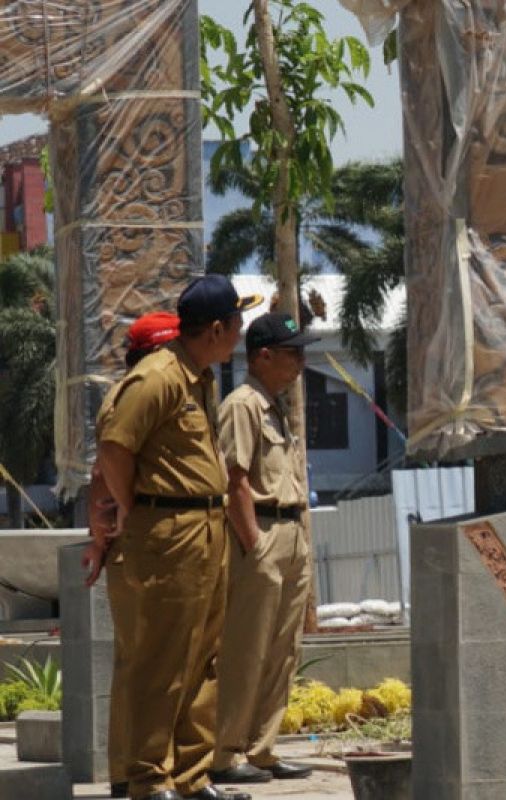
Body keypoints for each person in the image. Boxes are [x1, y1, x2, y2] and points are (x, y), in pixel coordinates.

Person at [97, 275, 261, 800]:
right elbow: (115, 448)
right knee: (162, 659)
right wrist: (130, 506)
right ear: (215, 329)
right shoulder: (157, 377)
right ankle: (149, 779)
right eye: (237, 324)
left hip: (204, 529)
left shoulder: (198, 377)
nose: (240, 334)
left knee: (202, 658)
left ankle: (191, 776)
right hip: (168, 531)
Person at [209, 313, 317, 784]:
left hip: (292, 532)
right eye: (292, 352)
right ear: (262, 356)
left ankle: (262, 748)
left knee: (282, 651)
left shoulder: (274, 407)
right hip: (263, 534)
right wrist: (254, 545)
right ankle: (224, 752)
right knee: (245, 650)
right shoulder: (243, 405)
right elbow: (234, 482)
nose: (301, 361)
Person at [83, 311, 182, 800]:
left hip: (133, 542)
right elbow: (104, 474)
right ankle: (129, 771)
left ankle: (132, 770)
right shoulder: (138, 395)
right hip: (135, 544)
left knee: (140, 661)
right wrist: (104, 534)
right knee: (140, 663)